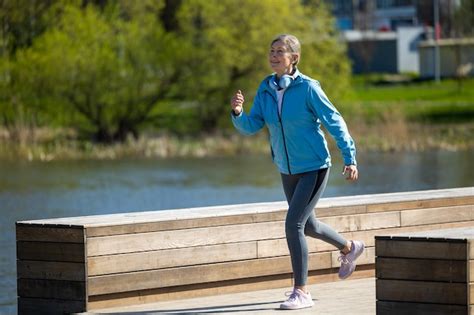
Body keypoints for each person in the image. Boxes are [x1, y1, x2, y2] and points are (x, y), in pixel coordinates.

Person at [230, 34, 365, 310]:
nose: (274, 55)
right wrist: (238, 113)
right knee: (310, 225)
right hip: (286, 168)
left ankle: (301, 292)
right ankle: (350, 248)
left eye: (280, 51)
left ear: (295, 58)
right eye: (271, 51)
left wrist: (350, 158)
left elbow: (335, 121)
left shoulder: (308, 88)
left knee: (294, 224)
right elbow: (254, 124)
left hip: (314, 166)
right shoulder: (266, 87)